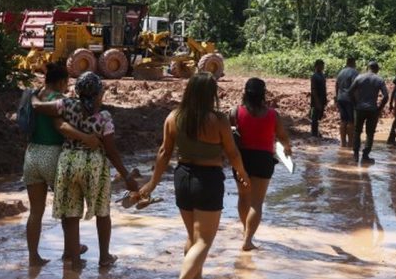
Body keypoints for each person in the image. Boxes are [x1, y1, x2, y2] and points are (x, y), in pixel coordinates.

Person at [136, 73, 250, 279]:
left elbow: (164, 152)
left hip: (182, 178)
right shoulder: (219, 120)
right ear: (211, 94)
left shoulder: (173, 117)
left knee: (193, 237)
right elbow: (232, 152)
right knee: (204, 241)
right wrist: (243, 174)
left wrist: (152, 183)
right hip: (208, 180)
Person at [32, 72, 139, 271]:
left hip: (68, 163)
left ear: (78, 92)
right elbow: (111, 151)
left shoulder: (65, 106)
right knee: (102, 212)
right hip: (94, 166)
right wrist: (126, 176)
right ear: (99, 95)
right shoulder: (104, 118)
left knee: (71, 214)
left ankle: (75, 260)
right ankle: (104, 257)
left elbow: (37, 107)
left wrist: (32, 96)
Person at [23, 64, 102, 266]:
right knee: (68, 207)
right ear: (60, 82)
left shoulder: (34, 94)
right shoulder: (59, 101)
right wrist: (85, 137)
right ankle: (70, 251)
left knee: (35, 212)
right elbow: (61, 126)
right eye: (66, 83)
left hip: (32, 153)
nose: (67, 87)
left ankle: (34, 257)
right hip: (52, 154)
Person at [230, 78, 292, 251]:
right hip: (264, 160)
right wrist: (287, 148)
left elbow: (229, 137)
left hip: (241, 159)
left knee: (243, 197)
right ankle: (248, 239)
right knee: (257, 202)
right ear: (263, 93)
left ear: (245, 92)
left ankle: (245, 231)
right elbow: (282, 136)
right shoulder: (273, 114)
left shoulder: (235, 112)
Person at [347, 61, 389, 163]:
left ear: (367, 68)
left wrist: (355, 104)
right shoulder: (379, 80)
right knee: (370, 133)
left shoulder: (359, 78)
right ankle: (365, 156)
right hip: (372, 110)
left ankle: (356, 155)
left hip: (359, 109)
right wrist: (379, 108)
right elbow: (386, 96)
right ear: (377, 69)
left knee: (357, 132)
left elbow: (350, 92)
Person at [334, 57, 359, 148]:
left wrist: (336, 97)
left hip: (340, 98)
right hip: (349, 99)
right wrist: (357, 100)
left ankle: (343, 143)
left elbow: (336, 85)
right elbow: (355, 86)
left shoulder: (341, 72)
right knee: (351, 121)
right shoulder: (354, 72)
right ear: (353, 63)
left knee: (343, 120)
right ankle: (350, 143)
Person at [309, 59, 327, 138]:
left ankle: (316, 132)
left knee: (319, 116)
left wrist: (325, 100)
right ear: (316, 66)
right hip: (316, 100)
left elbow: (324, 88)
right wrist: (317, 102)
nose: (322, 67)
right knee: (314, 117)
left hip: (322, 99)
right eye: (320, 65)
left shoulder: (322, 75)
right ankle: (314, 133)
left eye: (323, 65)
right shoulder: (314, 76)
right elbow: (313, 89)